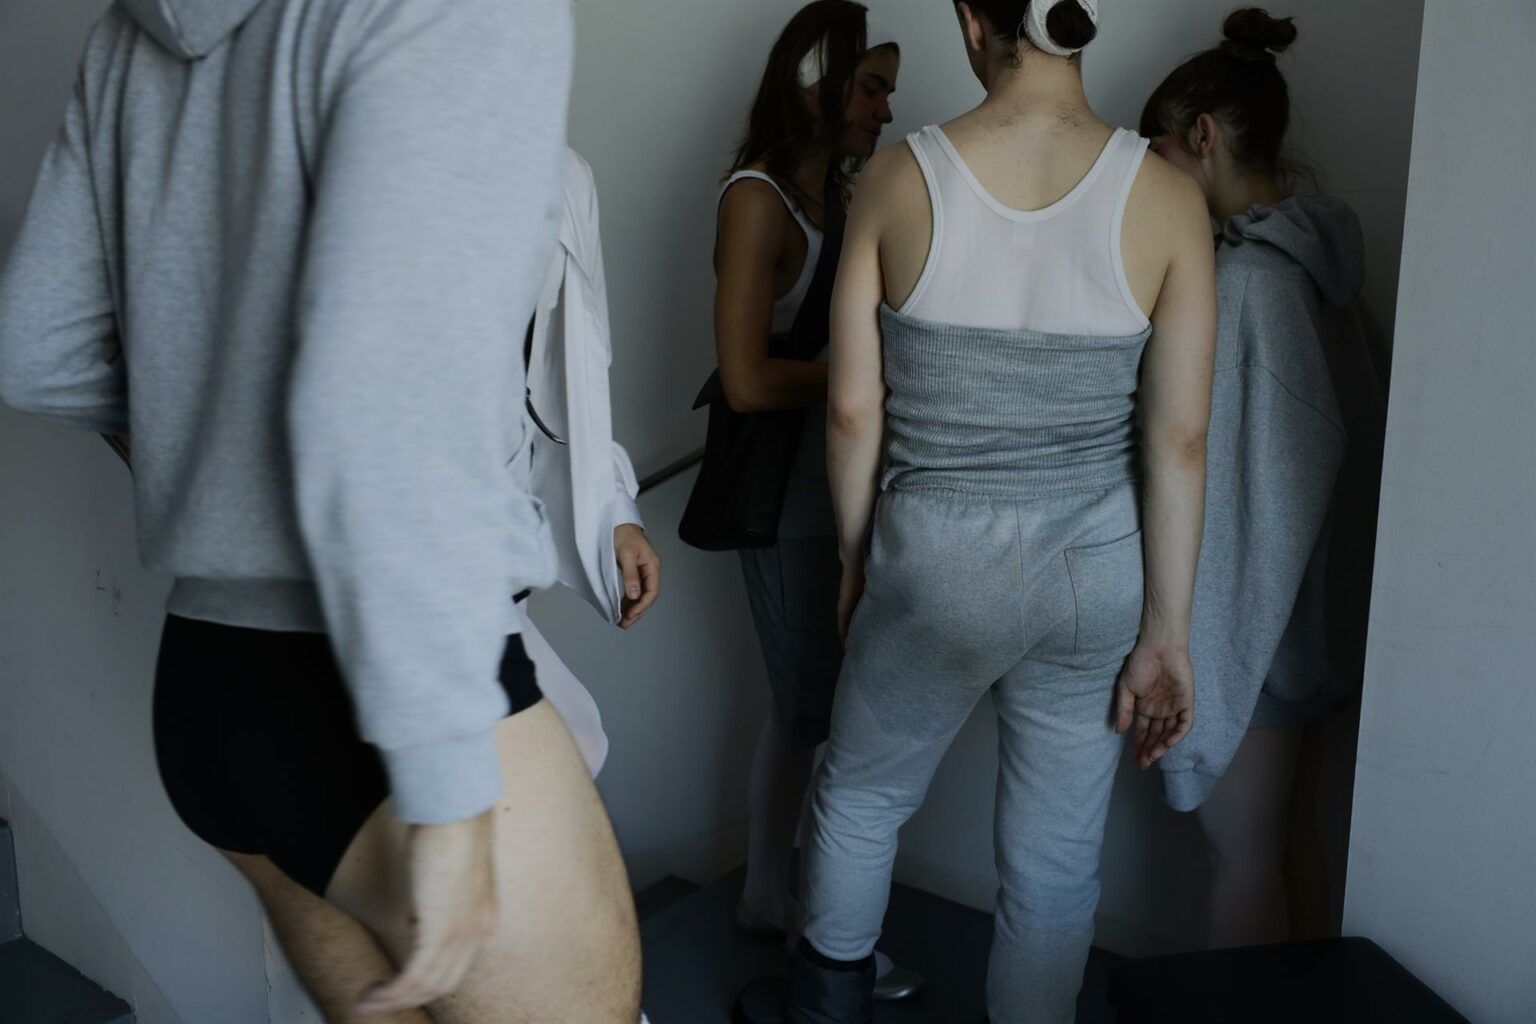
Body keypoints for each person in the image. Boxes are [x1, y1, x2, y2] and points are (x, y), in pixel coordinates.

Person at [0, 2, 642, 1021]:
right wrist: (445, 777)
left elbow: (35, 348)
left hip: (210, 678)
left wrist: (218, 459)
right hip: (378, 699)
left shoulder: (131, 30)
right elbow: (375, 394)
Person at [787, 0, 1220, 1019]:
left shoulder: (898, 176)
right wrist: (1167, 631)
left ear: (973, 18)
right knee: (1055, 860)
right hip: (1094, 571)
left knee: (862, 795)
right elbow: (1180, 440)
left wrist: (856, 559)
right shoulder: (1167, 196)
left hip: (937, 554)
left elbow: (850, 410)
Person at [1140, 8, 1388, 948]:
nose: (1149, 173)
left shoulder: (1248, 286)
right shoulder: (1319, 265)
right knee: (1291, 849)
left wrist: (1198, 648)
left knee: (1239, 859)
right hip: (1315, 623)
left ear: (1202, 137)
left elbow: (1243, 493)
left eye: (1158, 147)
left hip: (1258, 636)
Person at [706, 0, 921, 1005]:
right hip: (783, 484)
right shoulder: (757, 201)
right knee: (813, 707)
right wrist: (860, 379)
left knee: (817, 705)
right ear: (818, 87)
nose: (886, 106)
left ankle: (775, 895)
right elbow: (746, 379)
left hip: (834, 473)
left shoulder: (838, 193)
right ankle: (808, 922)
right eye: (871, 86)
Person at [521, 148, 664, 778]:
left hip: (494, 544)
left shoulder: (565, 174)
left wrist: (614, 508)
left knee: (577, 748)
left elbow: (573, 365)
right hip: (401, 541)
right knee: (570, 751)